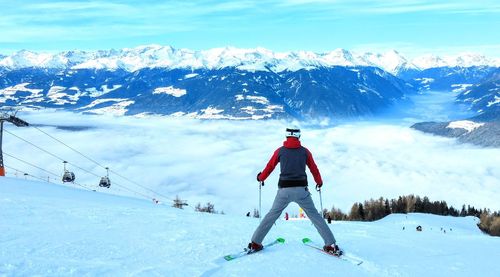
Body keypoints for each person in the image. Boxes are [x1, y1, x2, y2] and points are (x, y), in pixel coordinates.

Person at [247, 128, 340, 254]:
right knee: (315, 216)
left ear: (286, 136)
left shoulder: (280, 151)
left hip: (284, 191)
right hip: (302, 191)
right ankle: (330, 244)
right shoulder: (305, 152)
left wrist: (261, 178)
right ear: (298, 136)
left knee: (271, 215)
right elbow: (314, 169)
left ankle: (255, 243)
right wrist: (319, 182)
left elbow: (270, 167)